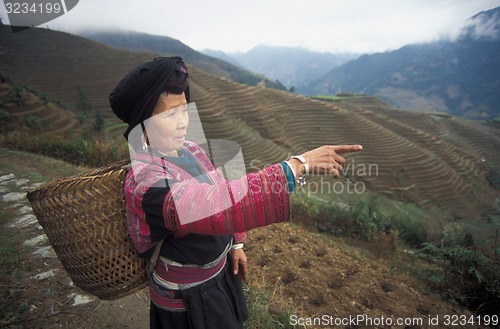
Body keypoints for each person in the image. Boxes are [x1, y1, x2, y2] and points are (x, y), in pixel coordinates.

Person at [109, 56, 362, 329]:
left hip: (218, 277)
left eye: (184, 110)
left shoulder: (191, 150)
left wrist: (236, 243)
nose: (183, 122)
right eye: (170, 114)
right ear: (143, 123)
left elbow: (220, 187)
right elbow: (215, 205)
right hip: (187, 299)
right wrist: (296, 166)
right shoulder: (147, 184)